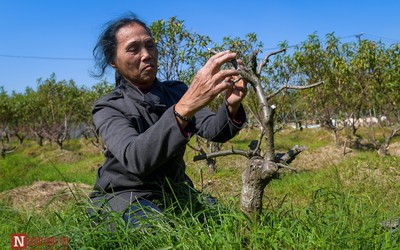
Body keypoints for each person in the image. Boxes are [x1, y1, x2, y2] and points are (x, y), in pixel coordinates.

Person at [88, 14, 247, 228]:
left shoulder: (176, 91)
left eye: (150, 45)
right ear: (113, 62)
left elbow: (214, 130)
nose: (146, 55)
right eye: (133, 49)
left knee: (230, 223)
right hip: (125, 194)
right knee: (157, 231)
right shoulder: (109, 106)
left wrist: (231, 105)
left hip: (175, 190)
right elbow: (136, 158)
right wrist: (185, 107)